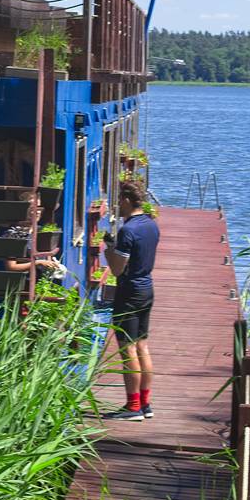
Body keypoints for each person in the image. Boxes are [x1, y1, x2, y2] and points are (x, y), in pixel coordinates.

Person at [100, 178, 159, 421]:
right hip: (147, 288)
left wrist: (108, 248)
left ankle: (132, 407)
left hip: (129, 291)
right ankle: (145, 404)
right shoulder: (151, 225)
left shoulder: (128, 230)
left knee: (127, 349)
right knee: (142, 345)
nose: (118, 206)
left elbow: (116, 269)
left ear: (126, 200)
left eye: (119, 202)